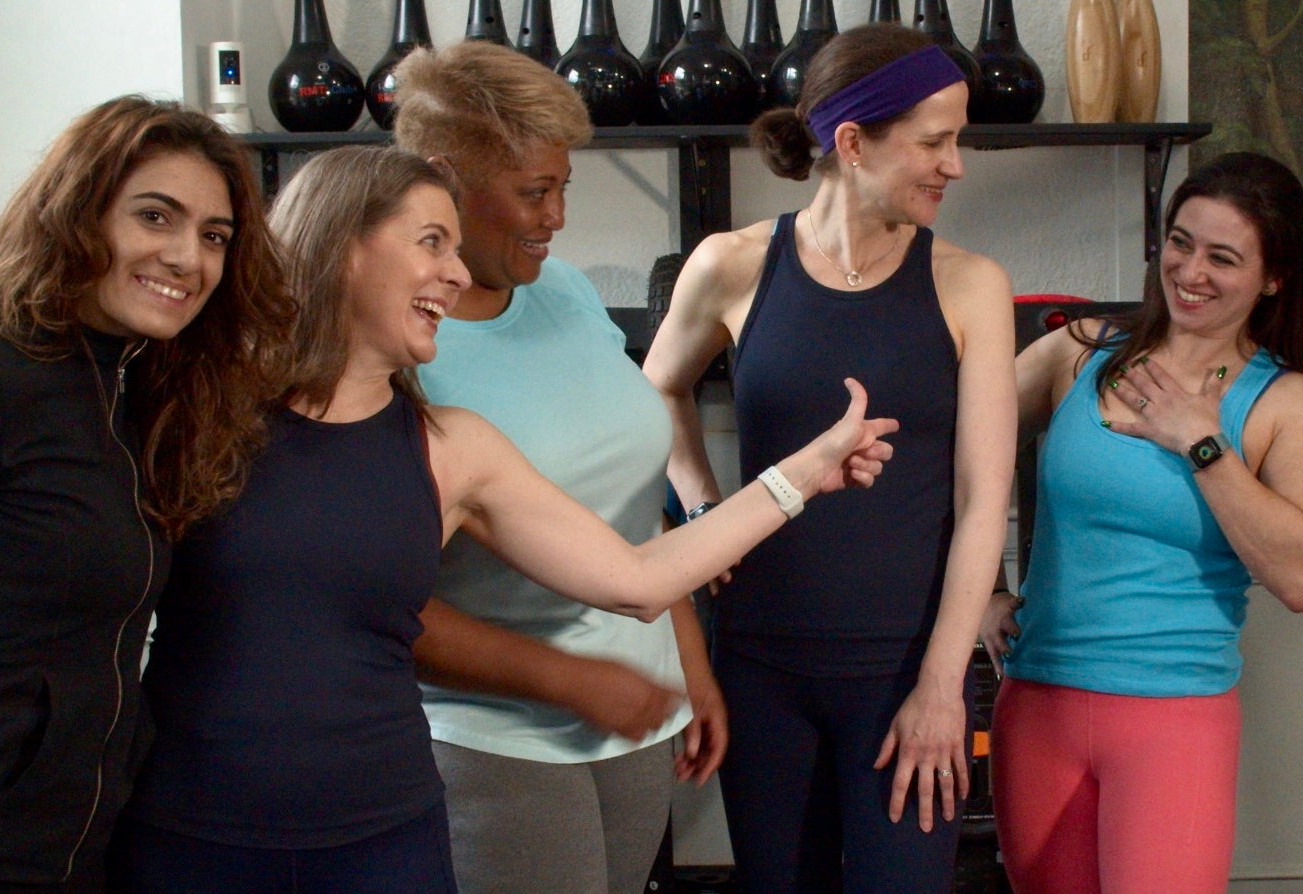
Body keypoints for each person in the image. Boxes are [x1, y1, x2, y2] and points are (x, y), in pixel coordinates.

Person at [106, 144, 897, 893]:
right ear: (345, 247)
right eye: (430, 244)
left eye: (455, 248)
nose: (454, 275)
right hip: (193, 832)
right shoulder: (189, 409)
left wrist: (803, 474)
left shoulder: (452, 449)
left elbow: (639, 579)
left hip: (382, 837)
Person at [642, 24, 1016, 894]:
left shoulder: (970, 284)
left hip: (904, 675)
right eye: (933, 141)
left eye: (955, 139)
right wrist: (702, 511)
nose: (953, 165)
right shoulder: (730, 265)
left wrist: (939, 688)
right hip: (760, 668)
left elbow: (981, 497)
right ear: (852, 143)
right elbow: (657, 389)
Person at [389, 41, 725, 894]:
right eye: (534, 192)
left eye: (564, 186)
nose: (557, 216)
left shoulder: (566, 292)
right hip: (492, 738)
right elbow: (377, 598)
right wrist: (570, 681)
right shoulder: (398, 347)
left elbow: (630, 508)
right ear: (442, 179)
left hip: (635, 717)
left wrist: (686, 665)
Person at [0, 95, 293, 892]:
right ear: (77, 217)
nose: (187, 258)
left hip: (73, 844)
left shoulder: (136, 401)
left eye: (213, 237)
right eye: (154, 218)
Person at [984, 151, 1303, 894]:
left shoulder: (1287, 403)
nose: (1190, 271)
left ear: (1271, 277)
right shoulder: (1077, 352)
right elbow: (949, 457)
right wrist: (980, 592)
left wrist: (1199, 440)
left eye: (1222, 257)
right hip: (1035, 707)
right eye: (1180, 242)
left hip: (1172, 722)